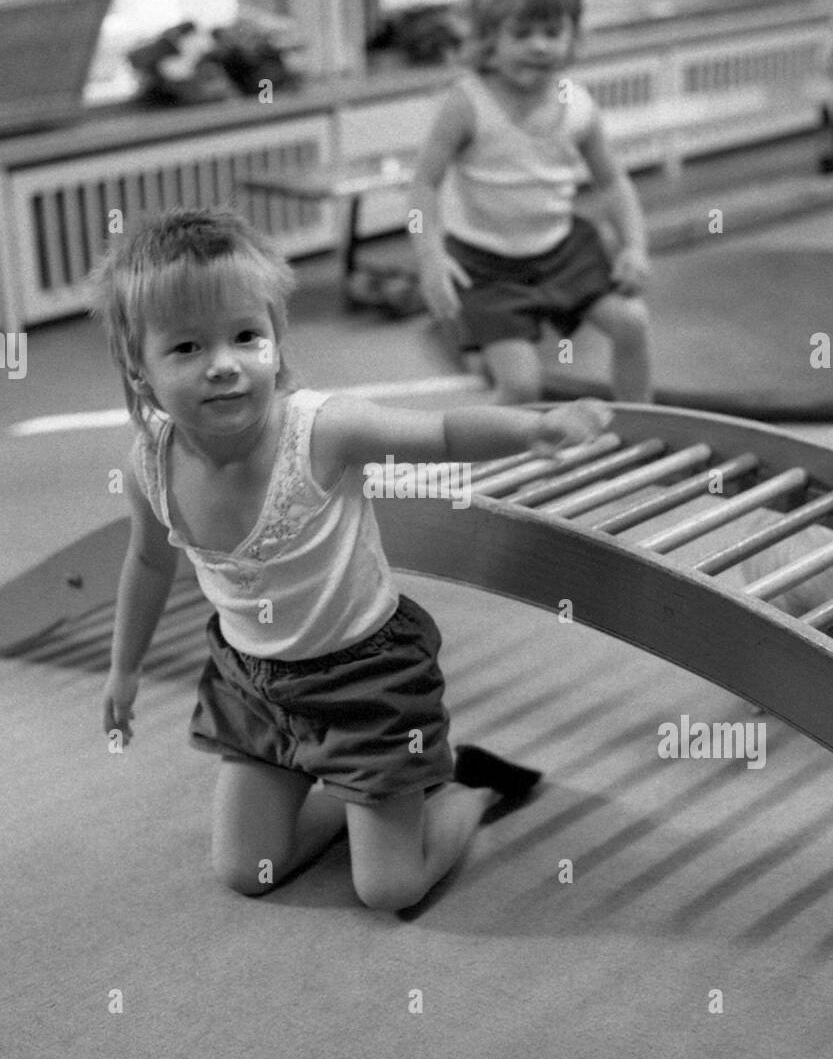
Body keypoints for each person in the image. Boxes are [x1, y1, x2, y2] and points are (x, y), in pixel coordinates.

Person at [93, 207, 611, 913]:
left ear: (276, 339)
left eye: (246, 336)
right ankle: (358, 790)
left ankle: (468, 786)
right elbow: (150, 565)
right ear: (138, 368)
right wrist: (124, 670)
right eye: (185, 347)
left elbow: (444, 431)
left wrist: (536, 428)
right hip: (253, 687)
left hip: (367, 683)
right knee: (250, 871)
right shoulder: (147, 464)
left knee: (389, 887)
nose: (223, 365)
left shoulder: (323, 431)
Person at [410, 0, 653, 405]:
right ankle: (479, 455)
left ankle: (638, 431)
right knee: (522, 386)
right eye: (522, 32)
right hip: (488, 269)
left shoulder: (578, 105)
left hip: (563, 254)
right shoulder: (467, 103)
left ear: (572, 34)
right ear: (489, 37)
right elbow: (423, 183)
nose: (539, 45)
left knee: (633, 323)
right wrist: (429, 258)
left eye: (552, 30)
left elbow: (613, 182)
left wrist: (635, 247)